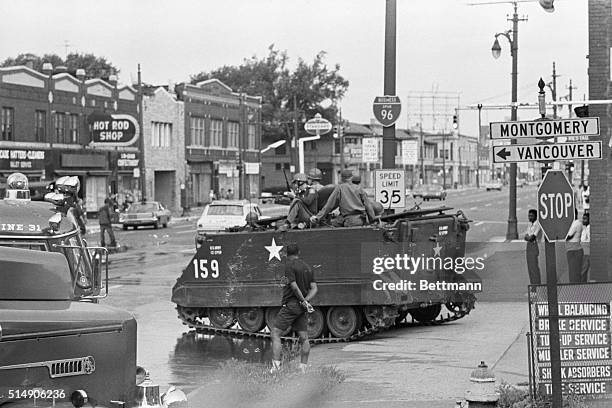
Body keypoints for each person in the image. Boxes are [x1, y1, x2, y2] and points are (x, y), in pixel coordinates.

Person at [270, 243, 317, 374]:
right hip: (301, 308)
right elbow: (314, 288)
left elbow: (294, 287)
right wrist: (306, 301)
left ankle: (276, 368)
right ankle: (303, 368)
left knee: (275, 333)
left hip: (291, 305)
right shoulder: (307, 267)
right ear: (299, 252)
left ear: (286, 254)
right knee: (304, 337)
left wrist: (302, 300)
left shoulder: (289, 266)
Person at [310, 169, 376, 227]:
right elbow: (368, 206)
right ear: (351, 177)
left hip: (346, 220)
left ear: (341, 178)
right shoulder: (359, 189)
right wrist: (372, 220)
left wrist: (318, 217)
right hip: (359, 220)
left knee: (330, 224)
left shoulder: (340, 188)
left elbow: (329, 205)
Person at [523, 209, 542, 285]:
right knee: (530, 268)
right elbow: (525, 237)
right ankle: (533, 286)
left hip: (534, 246)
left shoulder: (538, 225)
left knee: (534, 268)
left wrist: (529, 237)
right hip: (529, 246)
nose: (529, 217)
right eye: (529, 215)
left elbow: (532, 238)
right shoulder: (530, 224)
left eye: (531, 216)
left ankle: (537, 285)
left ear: (536, 216)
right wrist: (528, 237)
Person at [566, 208, 583, 283]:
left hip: (574, 250)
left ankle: (575, 291)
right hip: (572, 250)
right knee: (574, 273)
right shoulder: (575, 223)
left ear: (575, 214)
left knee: (574, 275)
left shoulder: (576, 223)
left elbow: (567, 236)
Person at [581, 212, 590, 282]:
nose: (583, 220)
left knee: (583, 272)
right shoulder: (585, 228)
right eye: (583, 219)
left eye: (585, 219)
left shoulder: (588, 229)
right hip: (585, 252)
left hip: (586, 253)